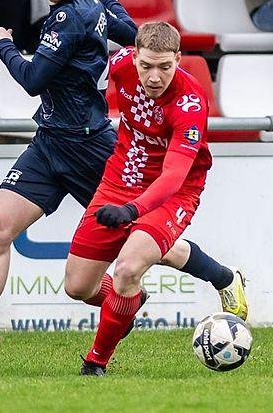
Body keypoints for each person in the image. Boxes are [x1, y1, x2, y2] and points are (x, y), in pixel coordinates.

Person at [0, 0, 248, 371]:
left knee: (140, 241)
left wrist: (3, 45)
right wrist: (111, 1)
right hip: (48, 143)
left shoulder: (71, 16)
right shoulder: (91, 8)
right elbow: (138, 38)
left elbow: (34, 79)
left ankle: (218, 276)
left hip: (90, 146)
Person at [65, 22, 214, 376]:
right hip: (121, 178)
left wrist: (131, 210)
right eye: (146, 66)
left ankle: (95, 362)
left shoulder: (191, 103)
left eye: (165, 67)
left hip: (174, 191)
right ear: (134, 58)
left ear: (179, 59)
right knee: (78, 286)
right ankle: (129, 299)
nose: (154, 76)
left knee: (128, 268)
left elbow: (173, 176)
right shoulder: (119, 64)